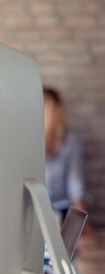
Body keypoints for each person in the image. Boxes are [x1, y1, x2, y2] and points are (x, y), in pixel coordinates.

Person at [43, 87, 88, 221]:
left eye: (45, 104)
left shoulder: (70, 139)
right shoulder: (29, 140)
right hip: (38, 210)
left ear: (57, 109)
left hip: (62, 210)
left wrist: (81, 221)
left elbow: (75, 183)